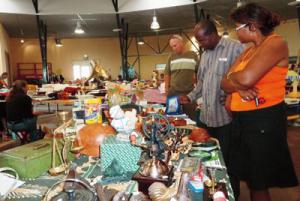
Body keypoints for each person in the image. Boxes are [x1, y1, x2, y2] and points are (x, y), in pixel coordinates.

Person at [220, 3, 298, 201]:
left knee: (259, 179)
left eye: (237, 27)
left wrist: (236, 80)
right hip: (244, 121)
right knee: (253, 178)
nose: (235, 32)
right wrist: (237, 85)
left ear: (252, 26)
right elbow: (223, 83)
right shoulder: (248, 51)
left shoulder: (275, 43)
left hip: (263, 121)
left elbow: (245, 78)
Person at [180, 20, 244, 167]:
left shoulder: (236, 48)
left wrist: (233, 94)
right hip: (206, 118)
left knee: (227, 162)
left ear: (213, 34)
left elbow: (246, 78)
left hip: (225, 119)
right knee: (207, 159)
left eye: (202, 40)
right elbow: (202, 82)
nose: (200, 44)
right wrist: (189, 96)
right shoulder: (205, 55)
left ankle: (229, 189)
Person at [165, 34, 199, 120]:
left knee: (191, 118)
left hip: (189, 93)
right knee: (172, 118)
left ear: (181, 43)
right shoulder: (171, 57)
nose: (173, 48)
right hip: (173, 93)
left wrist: (198, 88)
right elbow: (167, 73)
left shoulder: (193, 55)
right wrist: (166, 88)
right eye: (172, 46)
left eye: (175, 45)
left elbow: (199, 72)